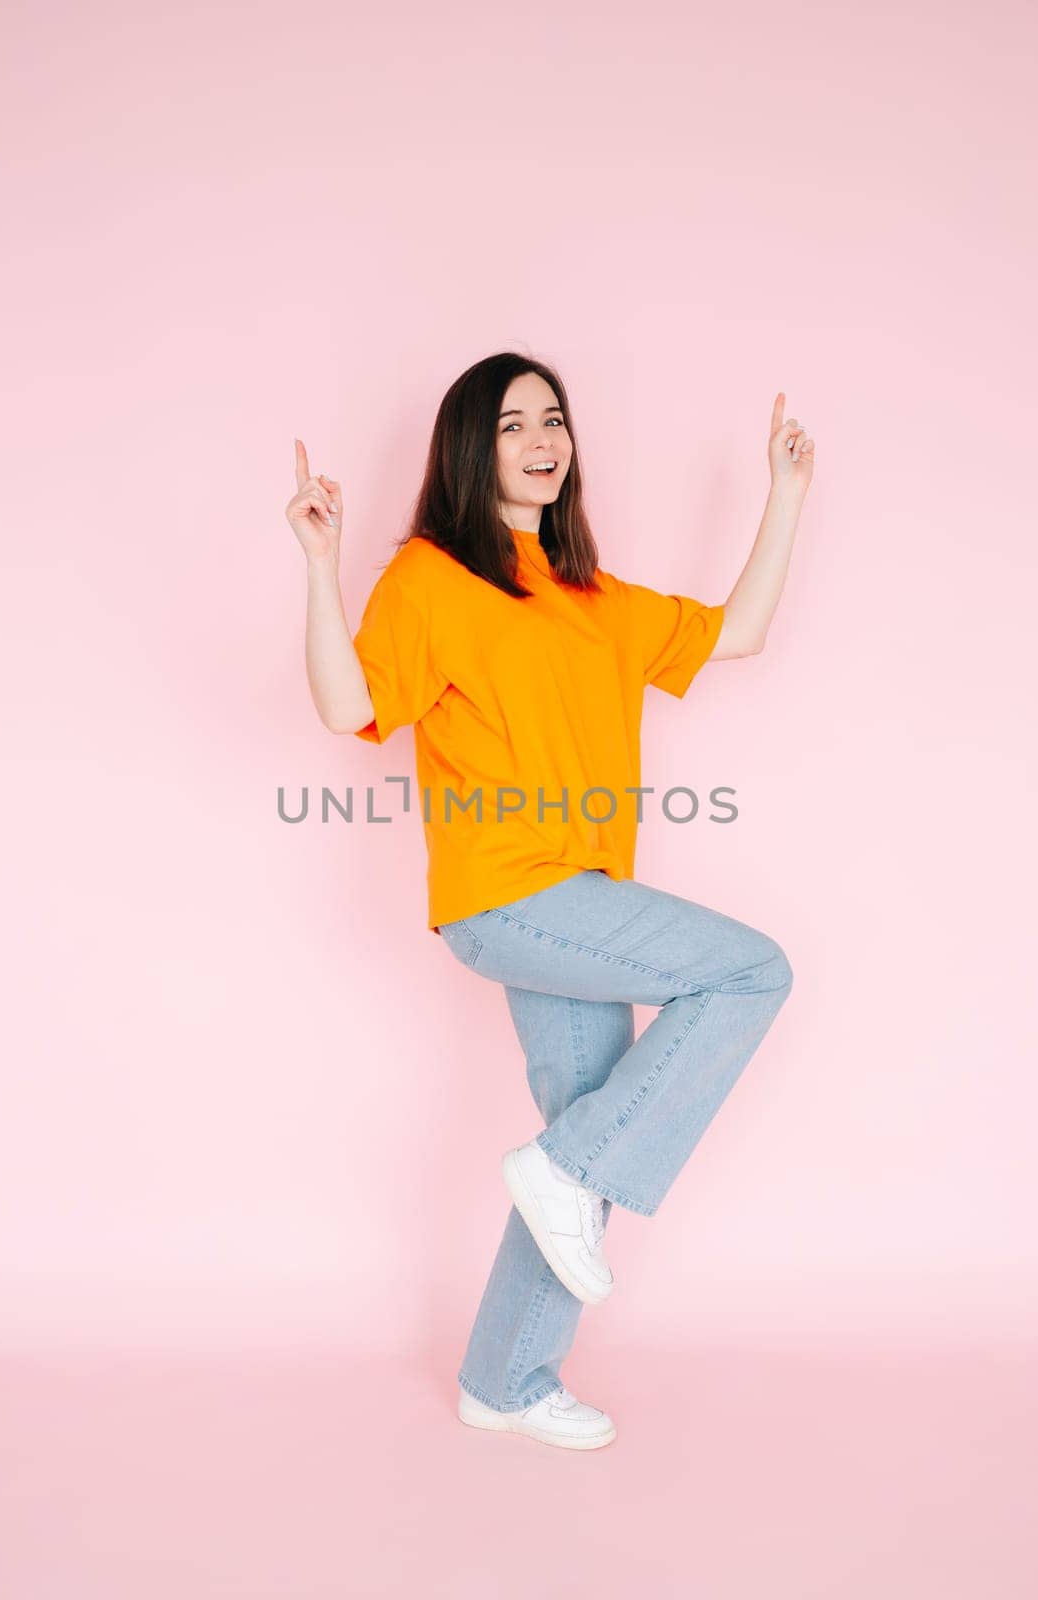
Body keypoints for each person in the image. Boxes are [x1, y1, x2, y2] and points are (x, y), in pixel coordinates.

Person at [287, 351, 815, 1452]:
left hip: (581, 900)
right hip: (504, 896)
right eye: (517, 420)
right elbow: (349, 706)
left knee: (585, 1132)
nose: (544, 438)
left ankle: (506, 1378)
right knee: (747, 972)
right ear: (470, 449)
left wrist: (788, 495)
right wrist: (321, 563)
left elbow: (739, 632)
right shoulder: (430, 578)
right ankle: (565, 1173)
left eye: (557, 419)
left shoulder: (592, 595)